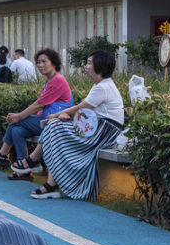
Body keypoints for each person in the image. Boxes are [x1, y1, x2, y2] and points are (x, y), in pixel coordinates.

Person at [29, 49, 126, 200]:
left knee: (55, 126)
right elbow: (83, 111)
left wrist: (56, 115)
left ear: (99, 66)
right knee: (55, 126)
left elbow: (80, 107)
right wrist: (64, 116)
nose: (86, 67)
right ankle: (48, 178)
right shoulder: (101, 84)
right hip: (97, 127)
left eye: (89, 63)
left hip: (104, 131)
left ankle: (36, 163)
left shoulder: (103, 87)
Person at [0, 48, 72, 172]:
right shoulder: (49, 82)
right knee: (17, 131)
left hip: (53, 124)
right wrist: (19, 117)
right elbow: (40, 105)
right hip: (44, 121)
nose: (40, 65)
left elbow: (39, 104)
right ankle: (25, 168)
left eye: (44, 62)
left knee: (15, 121)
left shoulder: (57, 80)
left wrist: (19, 116)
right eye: (38, 62)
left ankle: (3, 154)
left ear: (53, 63)